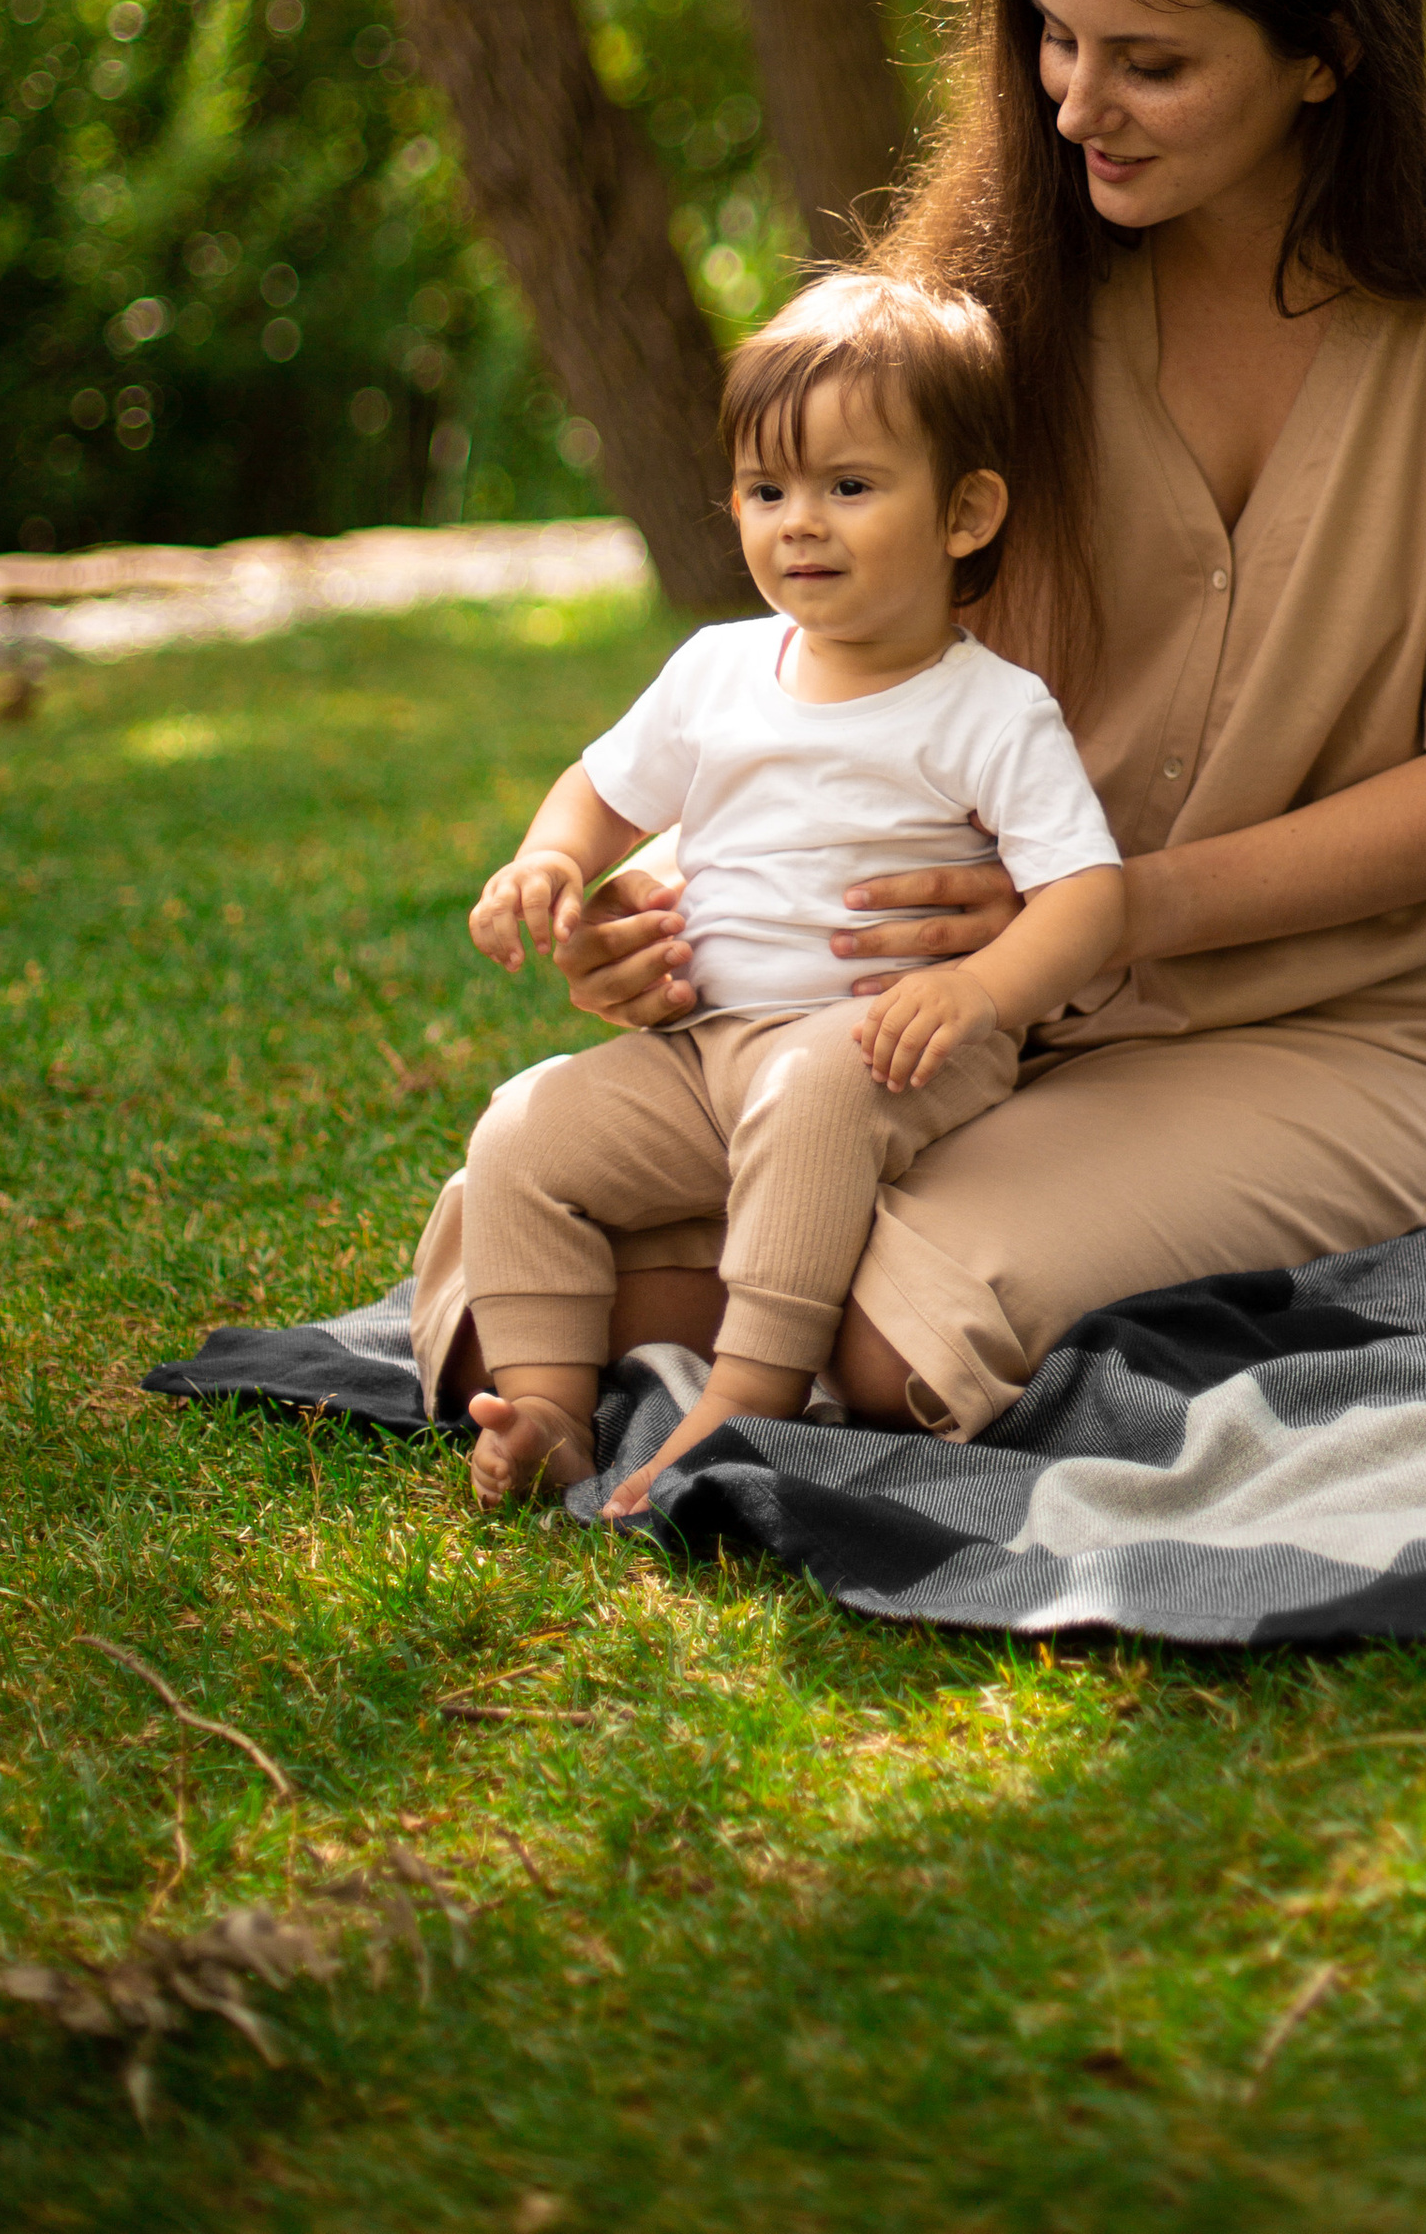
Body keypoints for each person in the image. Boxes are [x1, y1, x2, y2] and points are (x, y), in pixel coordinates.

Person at [410, 0, 1426, 1455]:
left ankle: (774, 1315)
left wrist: (1105, 916)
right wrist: (685, 913)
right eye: (1052, 39)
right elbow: (853, 657)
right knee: (514, 1224)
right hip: (951, 1020)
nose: (1078, 103)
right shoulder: (997, 278)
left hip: (1337, 1032)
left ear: (1326, 51)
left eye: (1150, 61)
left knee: (895, 1329)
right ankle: (712, 1310)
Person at [446, 273, 1122, 1507]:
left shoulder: (989, 707)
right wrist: (551, 858)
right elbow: (602, 790)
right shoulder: (718, 670)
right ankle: (547, 1410)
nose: (799, 523)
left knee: (813, 1089)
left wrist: (978, 991)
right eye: (768, 491)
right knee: (521, 1128)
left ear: (966, 513)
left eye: (848, 487)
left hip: (896, 1046)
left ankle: (747, 1396)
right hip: (707, 1051)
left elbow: (1086, 895)